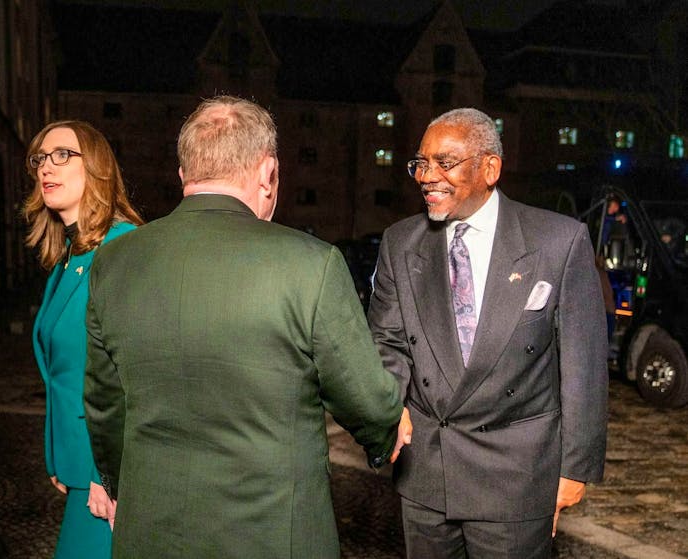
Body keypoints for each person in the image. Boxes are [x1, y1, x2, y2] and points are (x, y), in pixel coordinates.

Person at [83, 95, 406, 558]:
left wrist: (116, 486)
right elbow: (367, 399)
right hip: (273, 536)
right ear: (268, 172)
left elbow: (103, 403)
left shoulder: (114, 262)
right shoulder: (311, 264)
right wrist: (388, 434)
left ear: (183, 175)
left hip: (153, 532)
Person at [367, 107, 608, 559]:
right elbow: (388, 342)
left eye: (445, 162)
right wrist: (387, 404)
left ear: (490, 168)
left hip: (516, 477)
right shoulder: (401, 241)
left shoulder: (559, 241)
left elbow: (584, 365)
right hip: (425, 473)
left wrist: (575, 468)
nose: (427, 176)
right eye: (421, 163)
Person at [24, 120, 143, 558]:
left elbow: (131, 372)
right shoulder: (70, 256)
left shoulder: (122, 247)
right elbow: (63, 370)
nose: (45, 168)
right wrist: (60, 455)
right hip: (79, 468)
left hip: (106, 476)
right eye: (39, 158)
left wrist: (103, 472)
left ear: (96, 168)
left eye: (62, 155)